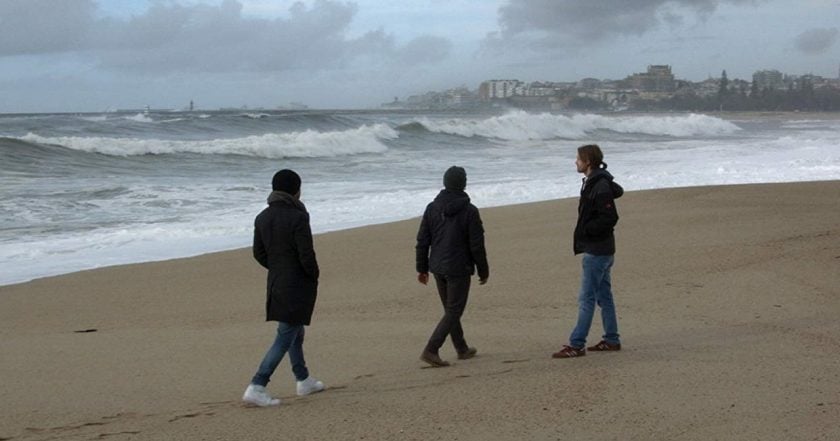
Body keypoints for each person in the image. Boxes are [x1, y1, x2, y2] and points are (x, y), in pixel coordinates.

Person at [242, 169, 325, 407]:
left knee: (294, 332)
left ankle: (303, 378)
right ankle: (258, 384)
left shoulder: (262, 217)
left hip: (277, 281)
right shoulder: (298, 217)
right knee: (285, 335)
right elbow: (306, 255)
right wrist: (313, 275)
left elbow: (259, 253)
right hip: (296, 282)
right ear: (296, 190)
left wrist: (278, 267)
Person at [553, 144, 624, 359]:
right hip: (601, 249)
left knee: (587, 298)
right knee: (604, 295)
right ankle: (612, 339)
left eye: (578, 158)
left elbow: (610, 217)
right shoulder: (594, 182)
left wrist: (587, 231)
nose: (575, 162)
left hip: (598, 251)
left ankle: (576, 344)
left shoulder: (599, 185)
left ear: (588, 162)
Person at [415, 166, 490, 367]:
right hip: (459, 267)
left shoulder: (432, 207)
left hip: (438, 266)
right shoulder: (469, 211)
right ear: (463, 184)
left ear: (445, 183)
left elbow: (423, 240)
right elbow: (477, 244)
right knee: (454, 310)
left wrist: (421, 268)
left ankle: (462, 348)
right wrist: (483, 269)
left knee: (451, 309)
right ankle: (432, 349)